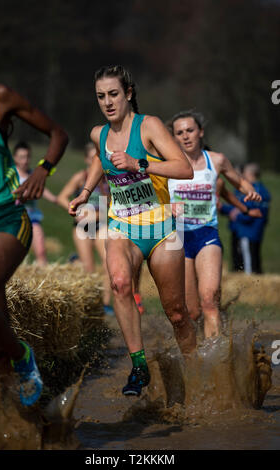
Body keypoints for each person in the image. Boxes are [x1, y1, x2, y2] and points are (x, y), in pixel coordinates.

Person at [68, 65, 196, 397]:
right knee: (120, 283)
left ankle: (197, 373)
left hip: (161, 226)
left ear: (127, 93)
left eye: (113, 94)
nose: (107, 102)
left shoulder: (149, 125)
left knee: (177, 313)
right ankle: (139, 366)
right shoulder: (99, 133)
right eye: (100, 96)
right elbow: (101, 158)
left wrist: (140, 163)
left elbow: (183, 168)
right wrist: (85, 192)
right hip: (122, 224)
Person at [0, 77, 68, 406]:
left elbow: (59, 134)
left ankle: (23, 355)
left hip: (4, 218)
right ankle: (16, 419)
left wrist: (44, 169)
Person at [167, 110, 261, 338]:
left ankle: (215, 361)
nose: (186, 136)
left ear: (200, 132)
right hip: (178, 238)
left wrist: (250, 193)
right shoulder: (167, 164)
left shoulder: (216, 160)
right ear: (174, 138)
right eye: (179, 133)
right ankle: (195, 356)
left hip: (206, 234)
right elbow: (151, 193)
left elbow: (237, 182)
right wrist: (165, 207)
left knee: (209, 300)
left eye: (190, 130)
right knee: (192, 311)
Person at [57, 141, 114, 315]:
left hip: (101, 224)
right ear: (86, 160)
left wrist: (97, 215)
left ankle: (105, 305)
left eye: (97, 158)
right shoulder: (81, 177)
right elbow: (62, 197)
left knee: (108, 265)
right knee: (89, 268)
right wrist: (75, 210)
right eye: (91, 158)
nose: (94, 162)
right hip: (82, 226)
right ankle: (91, 304)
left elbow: (112, 203)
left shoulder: (108, 179)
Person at [13, 141, 58, 266]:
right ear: (15, 158)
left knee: (41, 250)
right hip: (14, 218)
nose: (25, 160)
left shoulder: (33, 174)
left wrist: (55, 199)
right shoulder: (11, 175)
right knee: (14, 254)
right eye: (22, 157)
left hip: (32, 217)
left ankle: (43, 276)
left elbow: (41, 189)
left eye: (27, 156)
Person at [220, 163, 270, 274]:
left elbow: (250, 211)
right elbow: (237, 207)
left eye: (245, 172)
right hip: (248, 231)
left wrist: (237, 214)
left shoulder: (255, 190)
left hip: (248, 231)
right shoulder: (253, 189)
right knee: (251, 260)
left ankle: (251, 284)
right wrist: (224, 209)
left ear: (251, 174)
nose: (242, 174)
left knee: (249, 264)